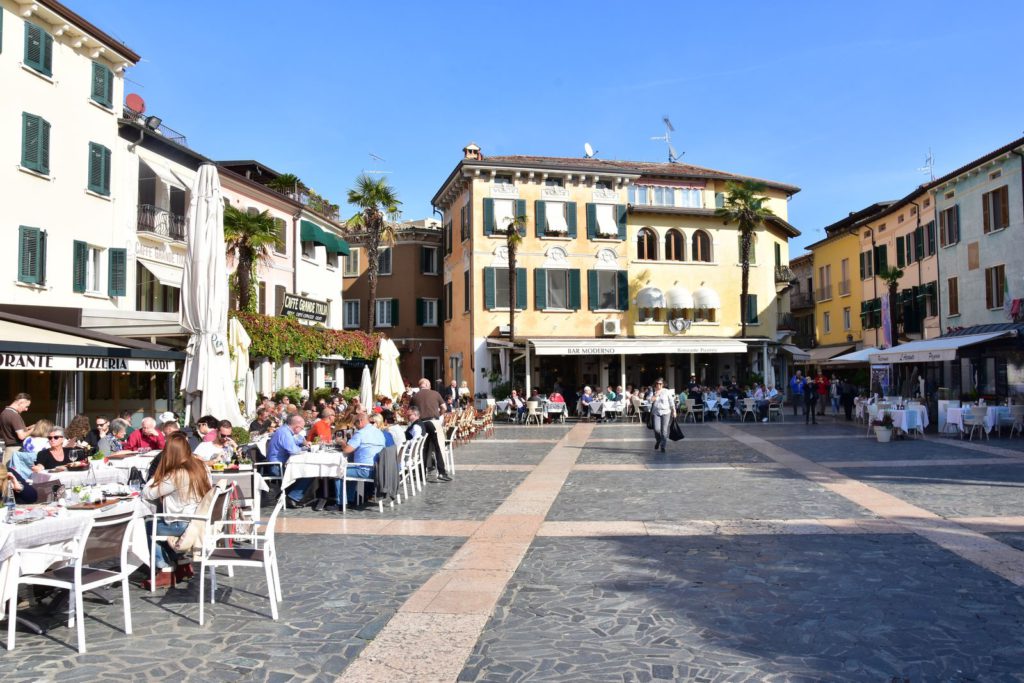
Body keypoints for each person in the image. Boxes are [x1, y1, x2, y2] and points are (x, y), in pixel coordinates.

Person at [142, 432, 212, 588]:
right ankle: (182, 563)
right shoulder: (202, 467)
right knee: (158, 525)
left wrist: (158, 473)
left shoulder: (176, 474)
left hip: (182, 522)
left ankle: (165, 569)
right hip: (198, 521)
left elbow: (147, 493)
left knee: (146, 525)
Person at [333, 410, 386, 508]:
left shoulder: (360, 434)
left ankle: (341, 503)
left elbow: (347, 450)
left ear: (360, 421)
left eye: (355, 423)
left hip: (366, 470)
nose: (355, 426)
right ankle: (350, 499)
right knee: (350, 467)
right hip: (379, 469)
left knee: (338, 472)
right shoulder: (379, 433)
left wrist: (342, 442)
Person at [410, 377, 449, 482]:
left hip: (421, 424)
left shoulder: (414, 397)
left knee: (422, 448)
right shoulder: (435, 393)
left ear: (420, 386)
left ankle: (421, 474)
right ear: (428, 385)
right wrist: (439, 414)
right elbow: (444, 407)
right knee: (438, 447)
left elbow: (411, 412)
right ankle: (441, 472)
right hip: (433, 422)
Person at [268, 415, 311, 508]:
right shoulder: (284, 433)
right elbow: (293, 450)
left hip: (280, 463)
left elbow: (297, 439)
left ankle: (286, 495)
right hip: (276, 466)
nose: (301, 430)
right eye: (302, 428)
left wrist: (303, 442)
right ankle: (292, 498)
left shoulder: (285, 431)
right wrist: (304, 448)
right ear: (296, 427)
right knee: (309, 473)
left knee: (305, 470)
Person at [1, 393, 36, 465]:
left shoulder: (4, 412)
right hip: (15, 450)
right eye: (26, 406)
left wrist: (28, 428)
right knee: (12, 474)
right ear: (21, 402)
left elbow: (13, 430)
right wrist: (34, 429)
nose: (26, 409)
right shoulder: (14, 415)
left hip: (9, 449)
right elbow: (21, 436)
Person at [650, 379, 677, 453]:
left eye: (660, 384)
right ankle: (658, 440)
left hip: (666, 412)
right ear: (655, 384)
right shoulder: (653, 391)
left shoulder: (666, 391)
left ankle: (663, 446)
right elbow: (650, 400)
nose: (659, 385)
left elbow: (671, 401)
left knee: (664, 430)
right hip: (656, 412)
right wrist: (656, 395)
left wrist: (674, 411)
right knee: (656, 429)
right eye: (657, 384)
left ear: (663, 384)